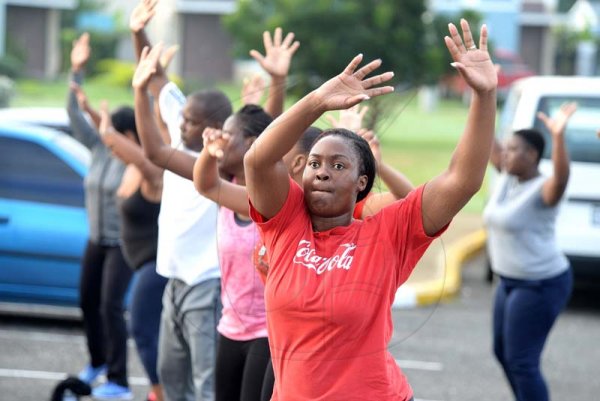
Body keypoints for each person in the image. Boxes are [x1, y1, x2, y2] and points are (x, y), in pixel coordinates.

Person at [243, 19, 497, 400]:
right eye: (314, 164)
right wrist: (317, 101)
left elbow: (463, 180)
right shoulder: (285, 224)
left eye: (338, 165)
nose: (323, 173)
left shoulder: (387, 233)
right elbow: (258, 161)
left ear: (362, 182)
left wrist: (485, 96)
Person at [484, 102, 577, 401]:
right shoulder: (507, 177)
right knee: (502, 352)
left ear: (533, 155)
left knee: (522, 361)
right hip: (508, 281)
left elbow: (561, 178)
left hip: (541, 283)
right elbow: (486, 141)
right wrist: (482, 94)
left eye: (514, 150)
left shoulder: (544, 190)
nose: (506, 154)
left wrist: (558, 136)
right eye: (507, 149)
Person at [67, 32, 134, 400]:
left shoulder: (136, 161)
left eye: (115, 132)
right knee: (86, 301)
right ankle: (96, 362)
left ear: (128, 135)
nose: (107, 135)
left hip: (122, 243)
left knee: (111, 306)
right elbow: (73, 113)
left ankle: (119, 380)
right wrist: (76, 71)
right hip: (95, 239)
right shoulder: (97, 149)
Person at [194, 105, 273, 401]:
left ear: (251, 143)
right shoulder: (228, 192)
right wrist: (209, 151)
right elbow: (205, 183)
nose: (222, 139)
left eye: (228, 134)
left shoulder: (271, 197)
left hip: (266, 331)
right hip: (230, 326)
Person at [94, 99, 167, 401]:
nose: (112, 151)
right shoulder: (130, 171)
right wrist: (103, 127)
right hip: (140, 262)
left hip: (156, 262)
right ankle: (160, 390)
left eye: (116, 144)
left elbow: (142, 151)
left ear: (130, 139)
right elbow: (115, 143)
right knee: (154, 333)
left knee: (141, 328)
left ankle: (161, 393)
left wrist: (144, 92)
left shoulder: (152, 172)